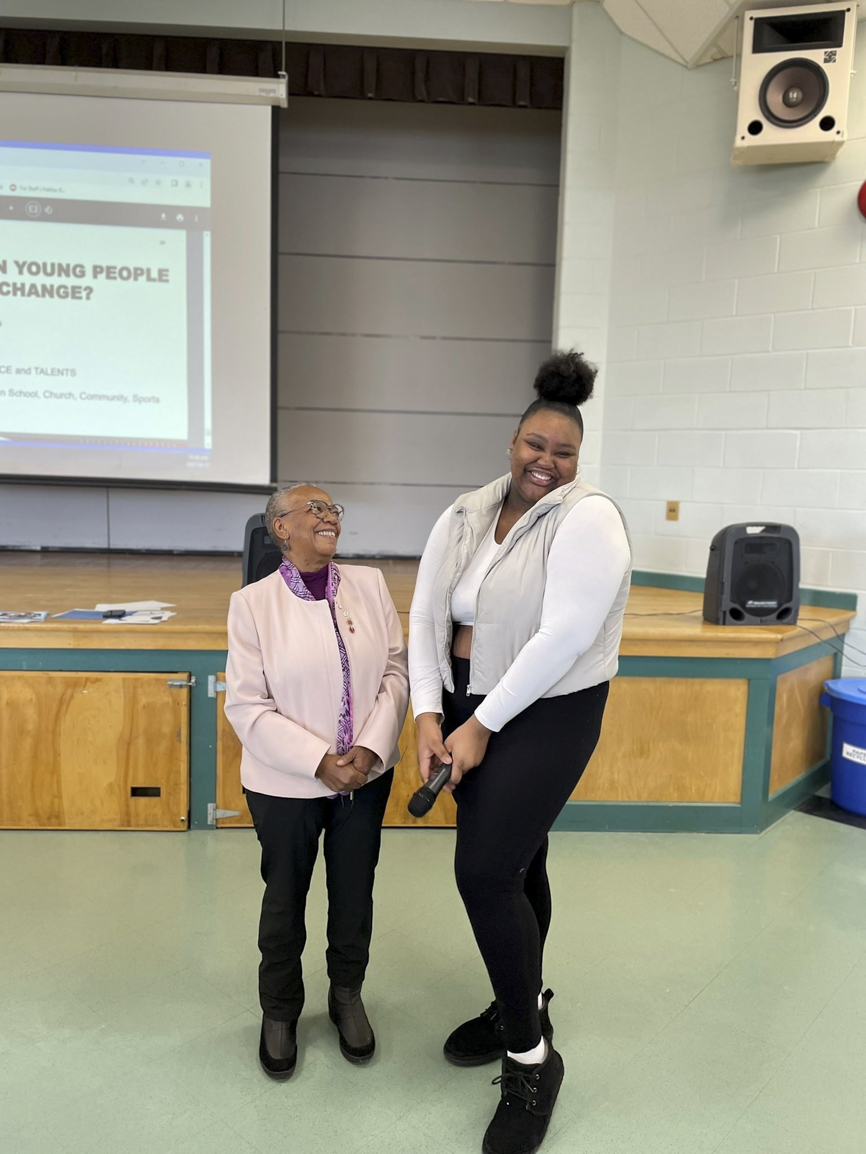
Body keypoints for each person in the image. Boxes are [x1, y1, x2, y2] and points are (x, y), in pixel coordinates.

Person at [409, 351, 632, 1154]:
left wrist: (481, 725)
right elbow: (426, 615)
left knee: (485, 871)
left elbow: (564, 636)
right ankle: (520, 1000)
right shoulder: (467, 513)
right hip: (471, 700)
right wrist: (431, 713)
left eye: (563, 452)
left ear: (577, 460)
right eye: (535, 446)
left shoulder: (589, 517)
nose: (546, 461)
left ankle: (532, 1057)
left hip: (550, 710)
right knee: (523, 865)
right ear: (512, 443)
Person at [225, 484, 409, 1080]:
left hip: (365, 774)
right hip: (285, 784)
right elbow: (247, 708)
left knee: (354, 895)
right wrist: (319, 760)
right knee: (285, 900)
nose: (329, 518)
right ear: (280, 528)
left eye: (334, 510)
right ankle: (279, 1011)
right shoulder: (252, 604)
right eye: (315, 510)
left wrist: (368, 749)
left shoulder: (370, 584)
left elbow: (395, 672)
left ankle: (346, 995)